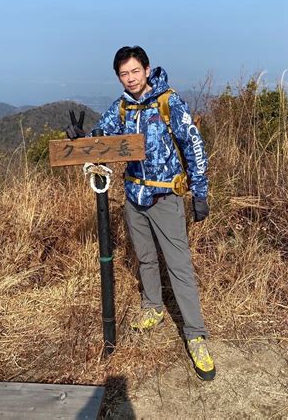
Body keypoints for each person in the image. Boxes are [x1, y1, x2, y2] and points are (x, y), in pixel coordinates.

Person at [67, 45, 215, 381]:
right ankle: (153, 308)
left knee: (179, 267)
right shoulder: (122, 107)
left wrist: (201, 192)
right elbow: (100, 136)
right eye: (124, 74)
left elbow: (193, 144)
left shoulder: (168, 102)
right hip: (134, 194)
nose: (130, 78)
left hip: (165, 196)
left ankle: (195, 335)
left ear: (147, 70)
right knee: (145, 258)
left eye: (135, 71)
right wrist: (79, 139)